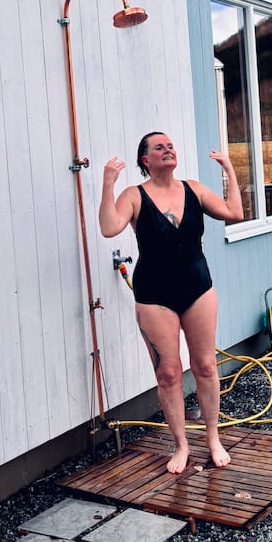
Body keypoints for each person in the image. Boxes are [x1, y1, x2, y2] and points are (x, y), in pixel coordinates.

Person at [99, 132, 244, 474]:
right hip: (154, 295)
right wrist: (108, 182)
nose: (168, 149)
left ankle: (213, 438)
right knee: (168, 373)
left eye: (170, 146)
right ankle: (181, 445)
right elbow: (109, 227)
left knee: (205, 366)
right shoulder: (134, 195)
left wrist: (229, 170)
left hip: (198, 289)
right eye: (159, 147)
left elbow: (234, 213)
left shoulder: (193, 189)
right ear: (146, 160)